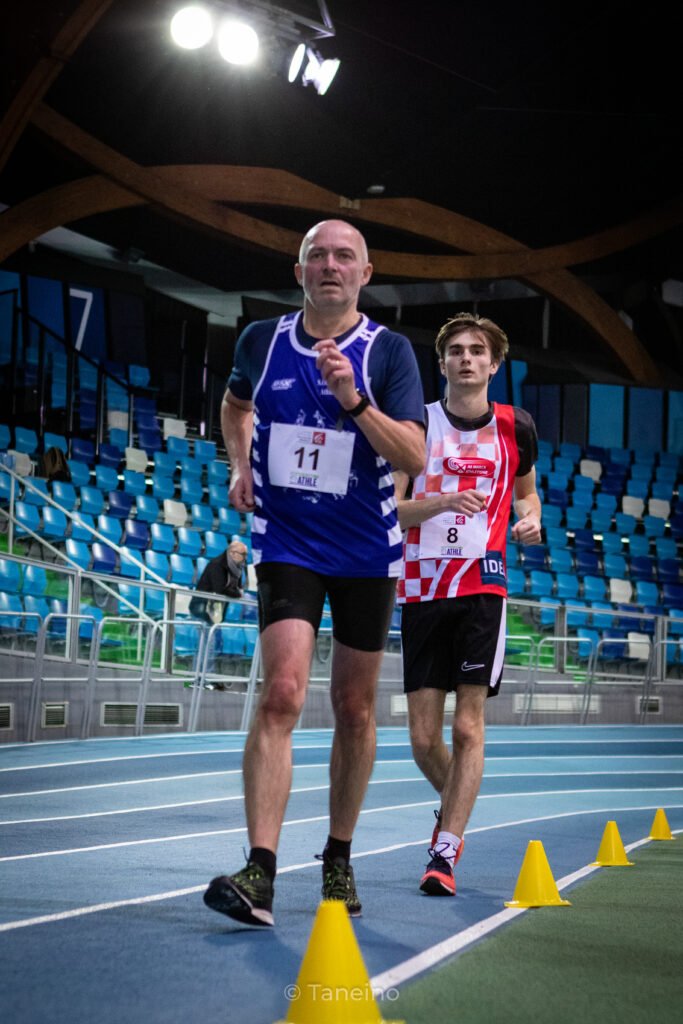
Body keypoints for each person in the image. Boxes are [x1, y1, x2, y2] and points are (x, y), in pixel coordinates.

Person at [203, 219, 426, 927]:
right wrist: (240, 464)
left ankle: (338, 854)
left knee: (354, 708)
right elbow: (235, 405)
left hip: (365, 548)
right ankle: (260, 871)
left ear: (365, 273)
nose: (330, 265)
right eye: (317, 256)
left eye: (344, 257)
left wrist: (354, 398)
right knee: (282, 695)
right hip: (287, 538)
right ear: (299, 271)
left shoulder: (388, 351)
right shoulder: (260, 341)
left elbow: (415, 457)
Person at [393, 312, 541, 897]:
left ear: (494, 364)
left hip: (483, 587)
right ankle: (459, 804)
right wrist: (442, 501)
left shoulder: (516, 426)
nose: (466, 359)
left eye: (477, 351)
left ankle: (445, 853)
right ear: (441, 362)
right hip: (422, 587)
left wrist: (529, 521)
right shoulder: (416, 424)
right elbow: (391, 511)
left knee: (466, 725)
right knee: (422, 740)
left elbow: (527, 496)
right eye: (455, 350)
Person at [189, 539, 248, 625]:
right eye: (243, 554)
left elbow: (238, 587)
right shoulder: (217, 564)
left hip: (219, 606)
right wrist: (238, 594)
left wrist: (237, 592)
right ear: (232, 553)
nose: (245, 557)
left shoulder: (238, 568)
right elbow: (220, 589)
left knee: (215, 628)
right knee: (205, 628)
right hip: (202, 604)